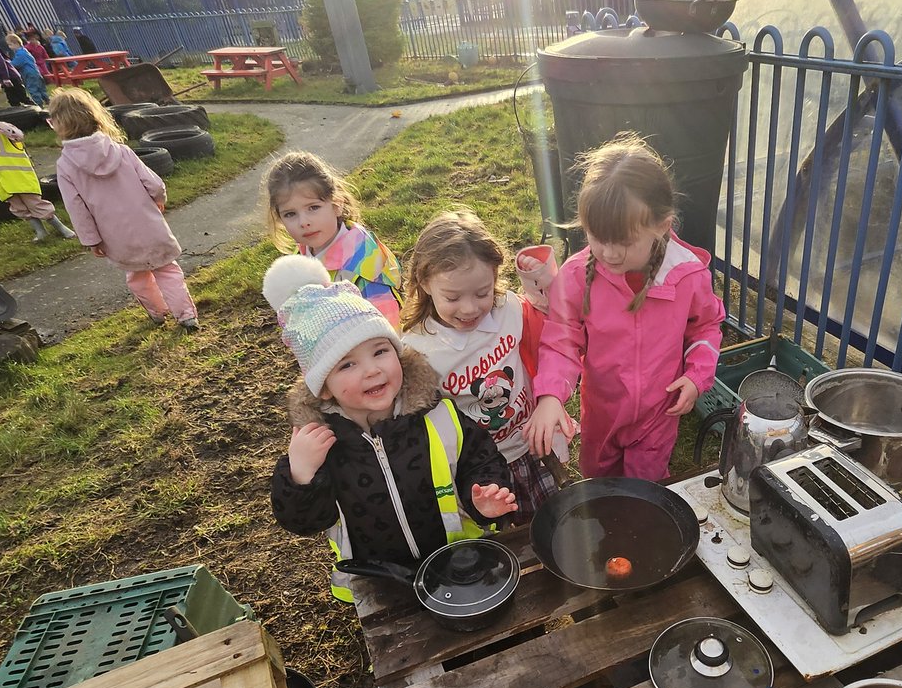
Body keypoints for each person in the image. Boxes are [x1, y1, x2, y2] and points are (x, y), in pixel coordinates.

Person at [264, 254, 517, 602]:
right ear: (323, 387)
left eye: (380, 351)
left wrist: (484, 494)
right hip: (383, 585)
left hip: (459, 568)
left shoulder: (438, 415)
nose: (371, 370)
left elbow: (481, 458)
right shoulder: (319, 445)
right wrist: (300, 476)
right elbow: (304, 521)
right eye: (348, 364)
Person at [523, 133, 725, 481]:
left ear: (661, 227)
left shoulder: (686, 275)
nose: (610, 254)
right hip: (602, 414)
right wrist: (551, 396)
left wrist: (696, 376)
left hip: (658, 415)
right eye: (597, 238)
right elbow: (561, 341)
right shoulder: (576, 276)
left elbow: (706, 327)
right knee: (600, 486)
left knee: (643, 491)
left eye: (625, 243)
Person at [400, 209, 567, 526]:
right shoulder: (419, 350)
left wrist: (539, 278)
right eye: (452, 297)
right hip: (482, 468)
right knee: (503, 539)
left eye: (482, 293)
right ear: (423, 283)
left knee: (555, 523)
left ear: (494, 277)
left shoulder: (508, 309)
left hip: (532, 446)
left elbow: (558, 326)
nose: (469, 308)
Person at [50, 88, 198, 329]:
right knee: (168, 270)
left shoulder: (66, 166)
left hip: (116, 236)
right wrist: (159, 199)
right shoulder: (121, 151)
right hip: (149, 226)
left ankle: (158, 312)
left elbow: (76, 208)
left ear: (58, 125)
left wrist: (91, 240)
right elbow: (154, 183)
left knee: (137, 276)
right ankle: (186, 316)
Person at [264, 151, 404, 328]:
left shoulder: (363, 270)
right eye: (290, 214)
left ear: (336, 204)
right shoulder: (303, 252)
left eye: (313, 208)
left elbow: (388, 328)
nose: (304, 222)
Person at [0, 100, 73, 241]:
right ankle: (40, 231)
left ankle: (60, 227)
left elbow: (18, 135)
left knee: (35, 203)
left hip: (18, 175)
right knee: (18, 207)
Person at [0, 34, 29, 107]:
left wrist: (5, 78)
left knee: (23, 98)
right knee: (13, 100)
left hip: (10, 76)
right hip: (6, 76)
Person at [6, 35, 45, 106]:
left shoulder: (20, 54)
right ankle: (47, 99)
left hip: (29, 73)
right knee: (40, 87)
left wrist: (8, 63)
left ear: (16, 43)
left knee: (32, 89)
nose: (9, 47)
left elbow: (15, 64)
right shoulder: (24, 51)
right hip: (35, 71)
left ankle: (38, 104)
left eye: (10, 45)